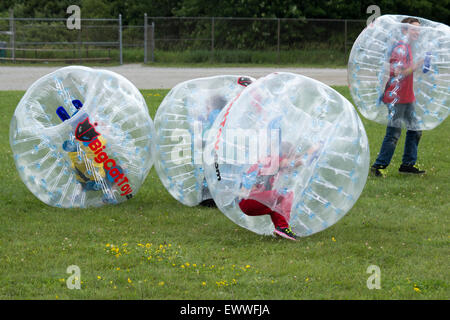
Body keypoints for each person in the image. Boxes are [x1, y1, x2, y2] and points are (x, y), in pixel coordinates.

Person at [371, 17, 426, 177]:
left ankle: (407, 164)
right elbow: (398, 73)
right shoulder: (399, 48)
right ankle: (378, 166)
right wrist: (416, 65)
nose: (417, 32)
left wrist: (423, 65)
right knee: (394, 133)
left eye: (418, 29)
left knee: (415, 130)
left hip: (407, 97)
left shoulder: (409, 47)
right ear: (404, 30)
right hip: (396, 98)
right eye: (414, 29)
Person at [238, 141, 321, 241]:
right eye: (292, 154)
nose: (294, 156)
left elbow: (293, 161)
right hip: (251, 199)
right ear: (285, 154)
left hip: (245, 202)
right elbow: (293, 162)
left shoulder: (268, 160)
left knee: (276, 205)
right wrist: (311, 152)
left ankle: (281, 227)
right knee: (285, 194)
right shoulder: (276, 160)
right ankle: (283, 228)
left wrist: (307, 154)